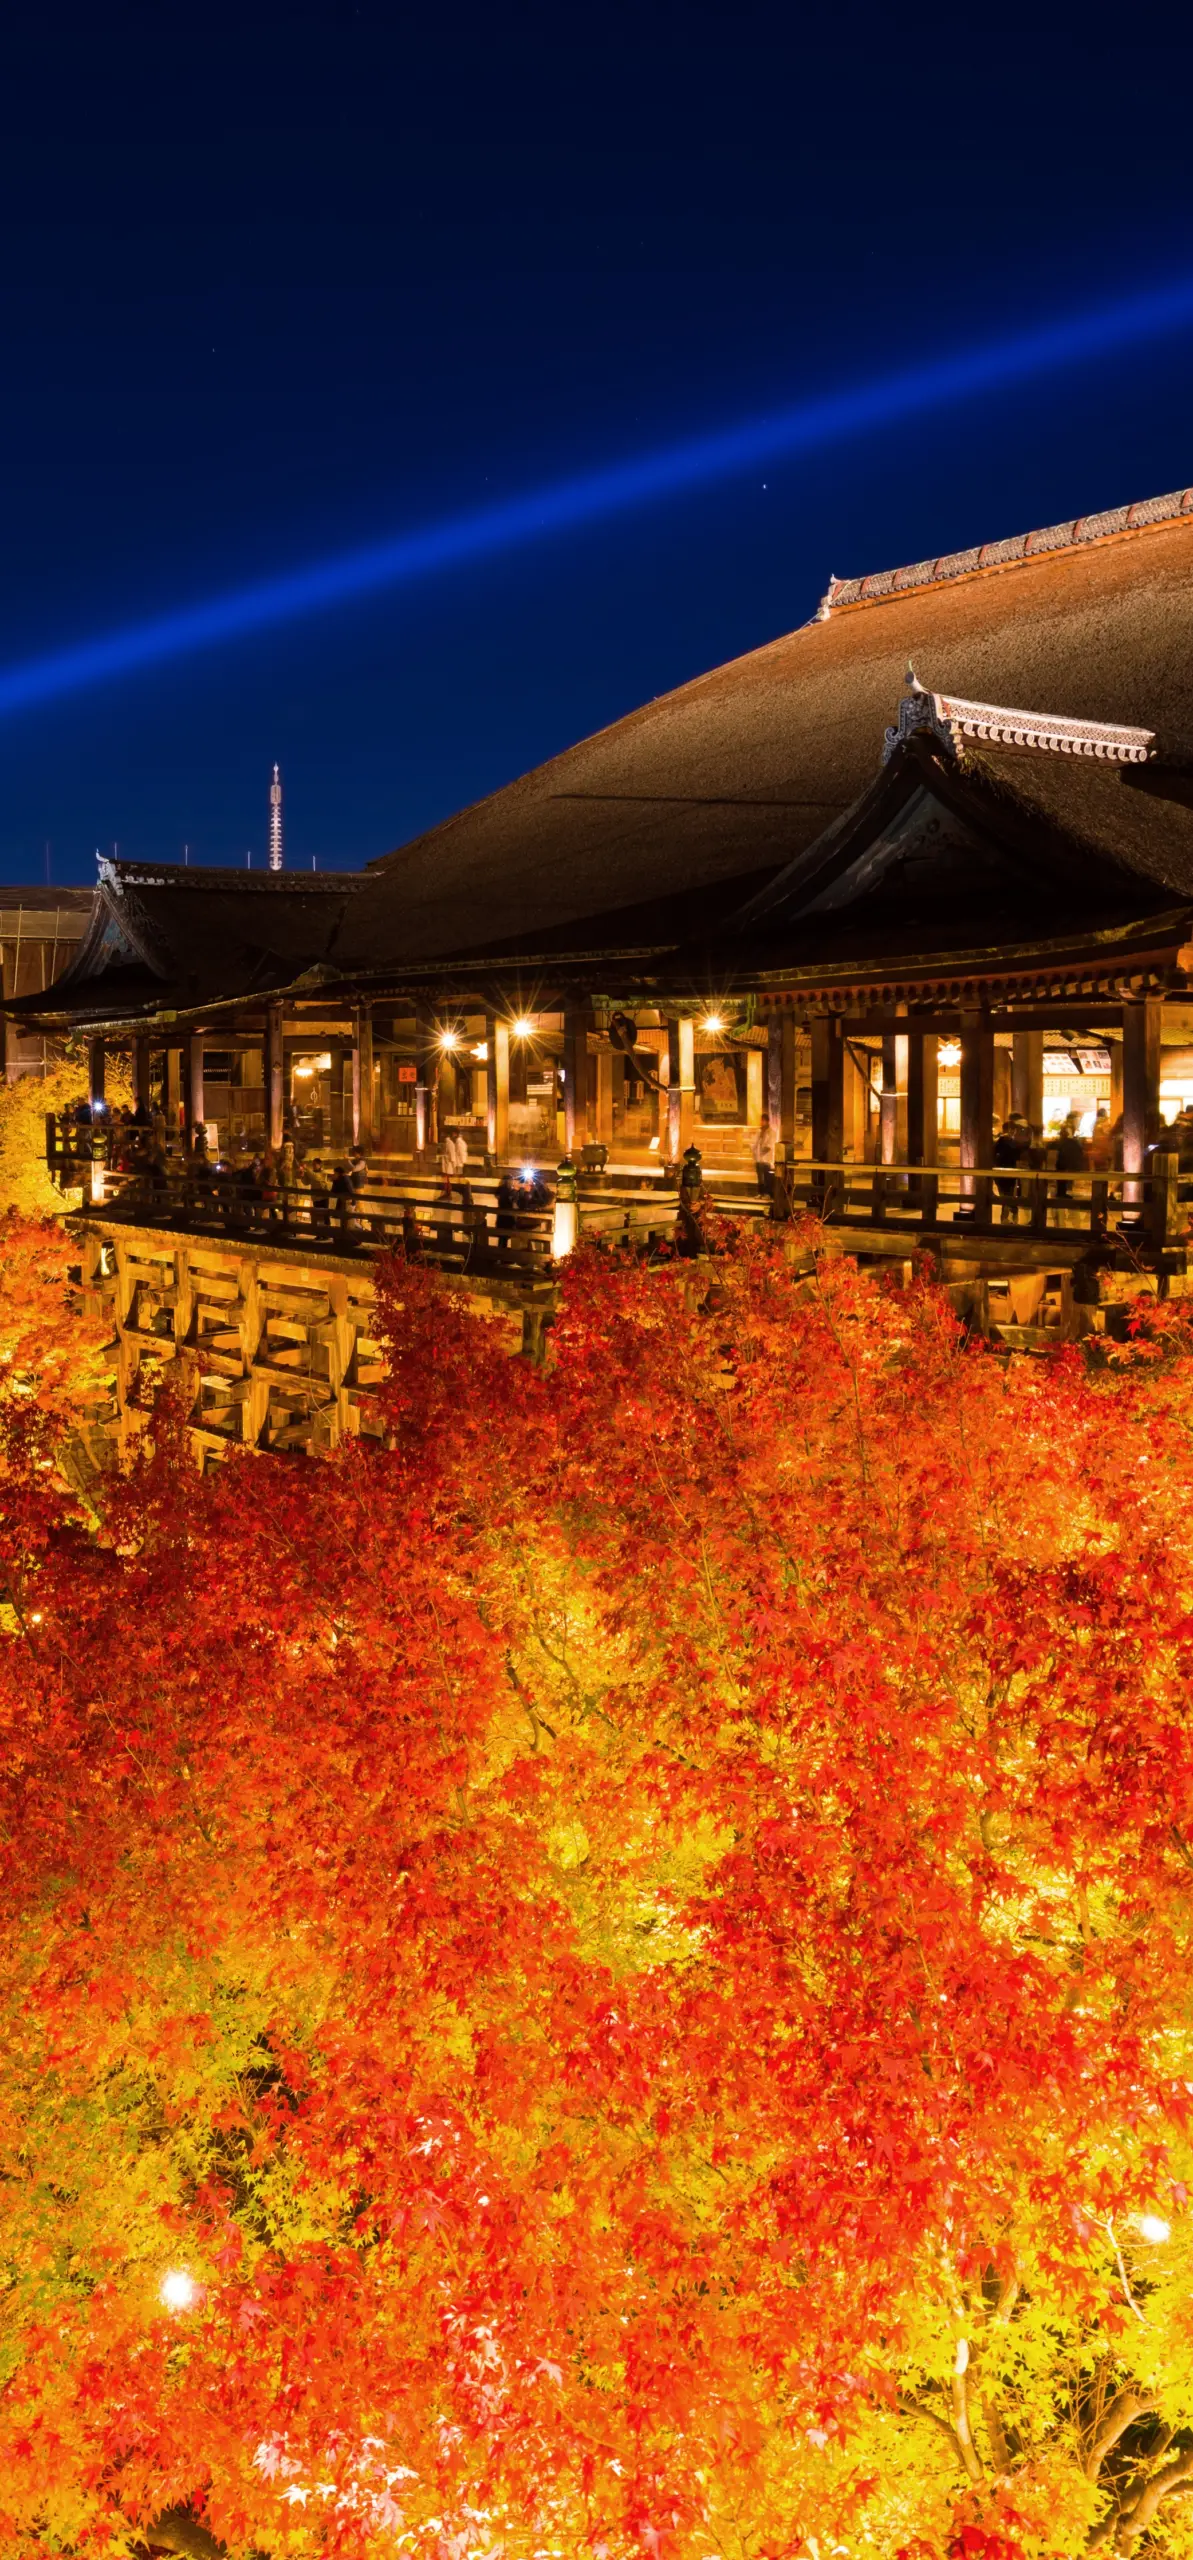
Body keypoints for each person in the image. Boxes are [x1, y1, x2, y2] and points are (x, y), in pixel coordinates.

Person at [992, 1115, 1026, 1225]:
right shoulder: (1012, 1143)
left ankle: (1005, 1218)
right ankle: (1010, 1218)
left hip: (998, 1173)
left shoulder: (998, 1142)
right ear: (1012, 1130)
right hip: (1010, 1172)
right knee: (1010, 1195)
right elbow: (1018, 1157)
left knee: (1005, 1195)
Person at [747, 1117, 777, 1196]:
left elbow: (770, 1145)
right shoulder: (759, 1131)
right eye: (761, 1121)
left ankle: (768, 1193)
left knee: (767, 1177)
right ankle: (761, 1193)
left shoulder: (772, 1132)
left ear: (767, 1122)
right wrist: (753, 1150)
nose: (762, 1123)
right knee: (760, 1177)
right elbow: (754, 1142)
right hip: (758, 1159)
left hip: (766, 1159)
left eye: (763, 1121)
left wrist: (762, 1152)